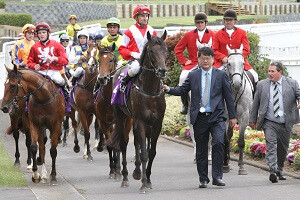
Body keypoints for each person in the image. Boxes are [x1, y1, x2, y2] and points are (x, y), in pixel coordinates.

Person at [163, 47, 237, 188]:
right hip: (200, 118)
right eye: (202, 57)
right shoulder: (193, 75)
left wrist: (232, 116)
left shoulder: (221, 75)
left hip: (217, 116)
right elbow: (182, 90)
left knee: (218, 143)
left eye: (208, 58)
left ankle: (217, 177)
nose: (205, 60)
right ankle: (203, 179)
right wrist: (169, 89)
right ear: (198, 59)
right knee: (201, 149)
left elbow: (228, 96)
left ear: (213, 60)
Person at [249, 61, 300, 183]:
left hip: (286, 122)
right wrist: (252, 119)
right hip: (269, 121)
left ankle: (279, 169)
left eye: (273, 71)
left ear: (280, 72)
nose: (270, 73)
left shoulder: (292, 83)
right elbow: (255, 103)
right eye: (269, 71)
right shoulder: (262, 85)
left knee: (283, 148)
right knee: (271, 145)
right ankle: (272, 170)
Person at [175, 12, 214, 114]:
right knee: (183, 78)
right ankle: (184, 104)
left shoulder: (213, 34)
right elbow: (178, 49)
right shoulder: (189, 35)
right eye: (198, 22)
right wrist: (184, 61)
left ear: (206, 23)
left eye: (202, 22)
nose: (200, 24)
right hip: (193, 63)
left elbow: (217, 50)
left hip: (209, 64)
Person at [27, 22, 71, 113]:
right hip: (40, 72)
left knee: (61, 81)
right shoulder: (34, 47)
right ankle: (27, 106)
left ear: (48, 33)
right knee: (29, 85)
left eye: (43, 32)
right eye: (39, 33)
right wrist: (34, 66)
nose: (41, 35)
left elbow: (65, 60)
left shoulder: (57, 45)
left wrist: (55, 58)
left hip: (54, 71)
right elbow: (29, 62)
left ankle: (67, 104)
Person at [212, 9, 258, 85]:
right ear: (224, 21)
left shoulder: (242, 33)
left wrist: (238, 58)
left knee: (255, 75)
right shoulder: (217, 34)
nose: (228, 22)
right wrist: (222, 57)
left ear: (235, 21)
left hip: (239, 62)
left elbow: (246, 49)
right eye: (226, 20)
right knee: (212, 77)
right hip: (223, 63)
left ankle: (253, 96)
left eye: (231, 20)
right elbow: (214, 50)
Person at [118, 4, 157, 92]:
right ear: (136, 17)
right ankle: (124, 81)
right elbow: (121, 48)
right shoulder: (129, 31)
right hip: (134, 61)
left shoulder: (152, 31)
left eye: (146, 16)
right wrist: (131, 53)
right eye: (142, 16)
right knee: (136, 68)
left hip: (148, 60)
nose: (145, 18)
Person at [93, 17, 124, 97]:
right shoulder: (103, 40)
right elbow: (97, 56)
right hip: (106, 65)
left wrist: (121, 62)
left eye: (114, 27)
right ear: (108, 29)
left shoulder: (123, 39)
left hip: (121, 65)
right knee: (98, 76)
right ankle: (95, 92)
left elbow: (127, 54)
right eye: (110, 27)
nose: (112, 29)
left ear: (118, 28)